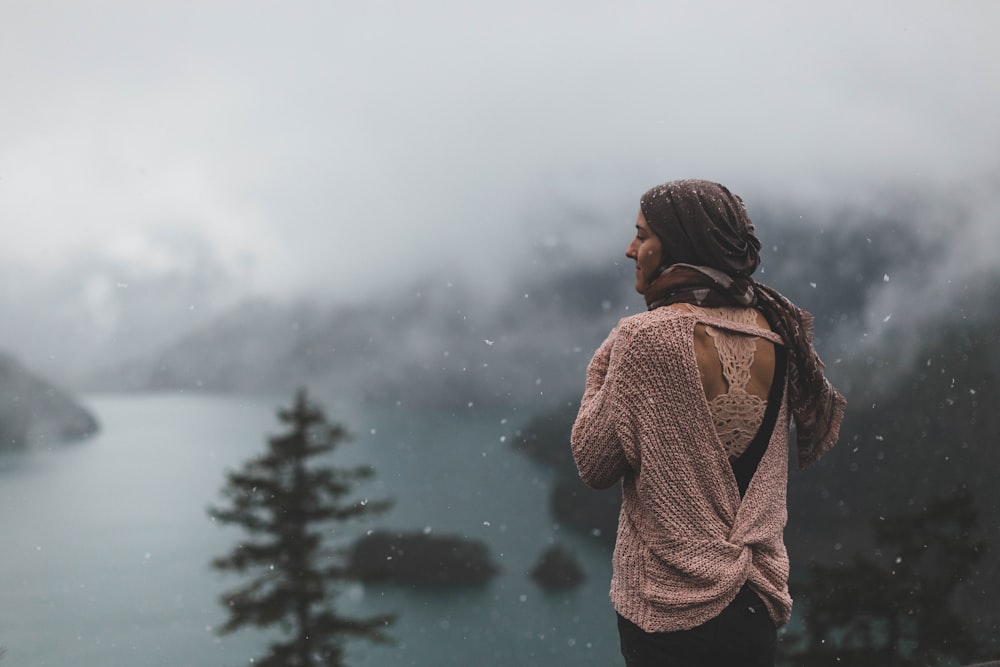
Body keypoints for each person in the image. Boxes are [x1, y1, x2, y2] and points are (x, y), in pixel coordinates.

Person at [571, 179, 846, 666]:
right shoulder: (778, 334)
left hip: (667, 605)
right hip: (754, 599)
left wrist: (601, 368)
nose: (630, 249)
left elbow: (594, 463)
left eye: (642, 236)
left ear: (678, 245)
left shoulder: (645, 338)